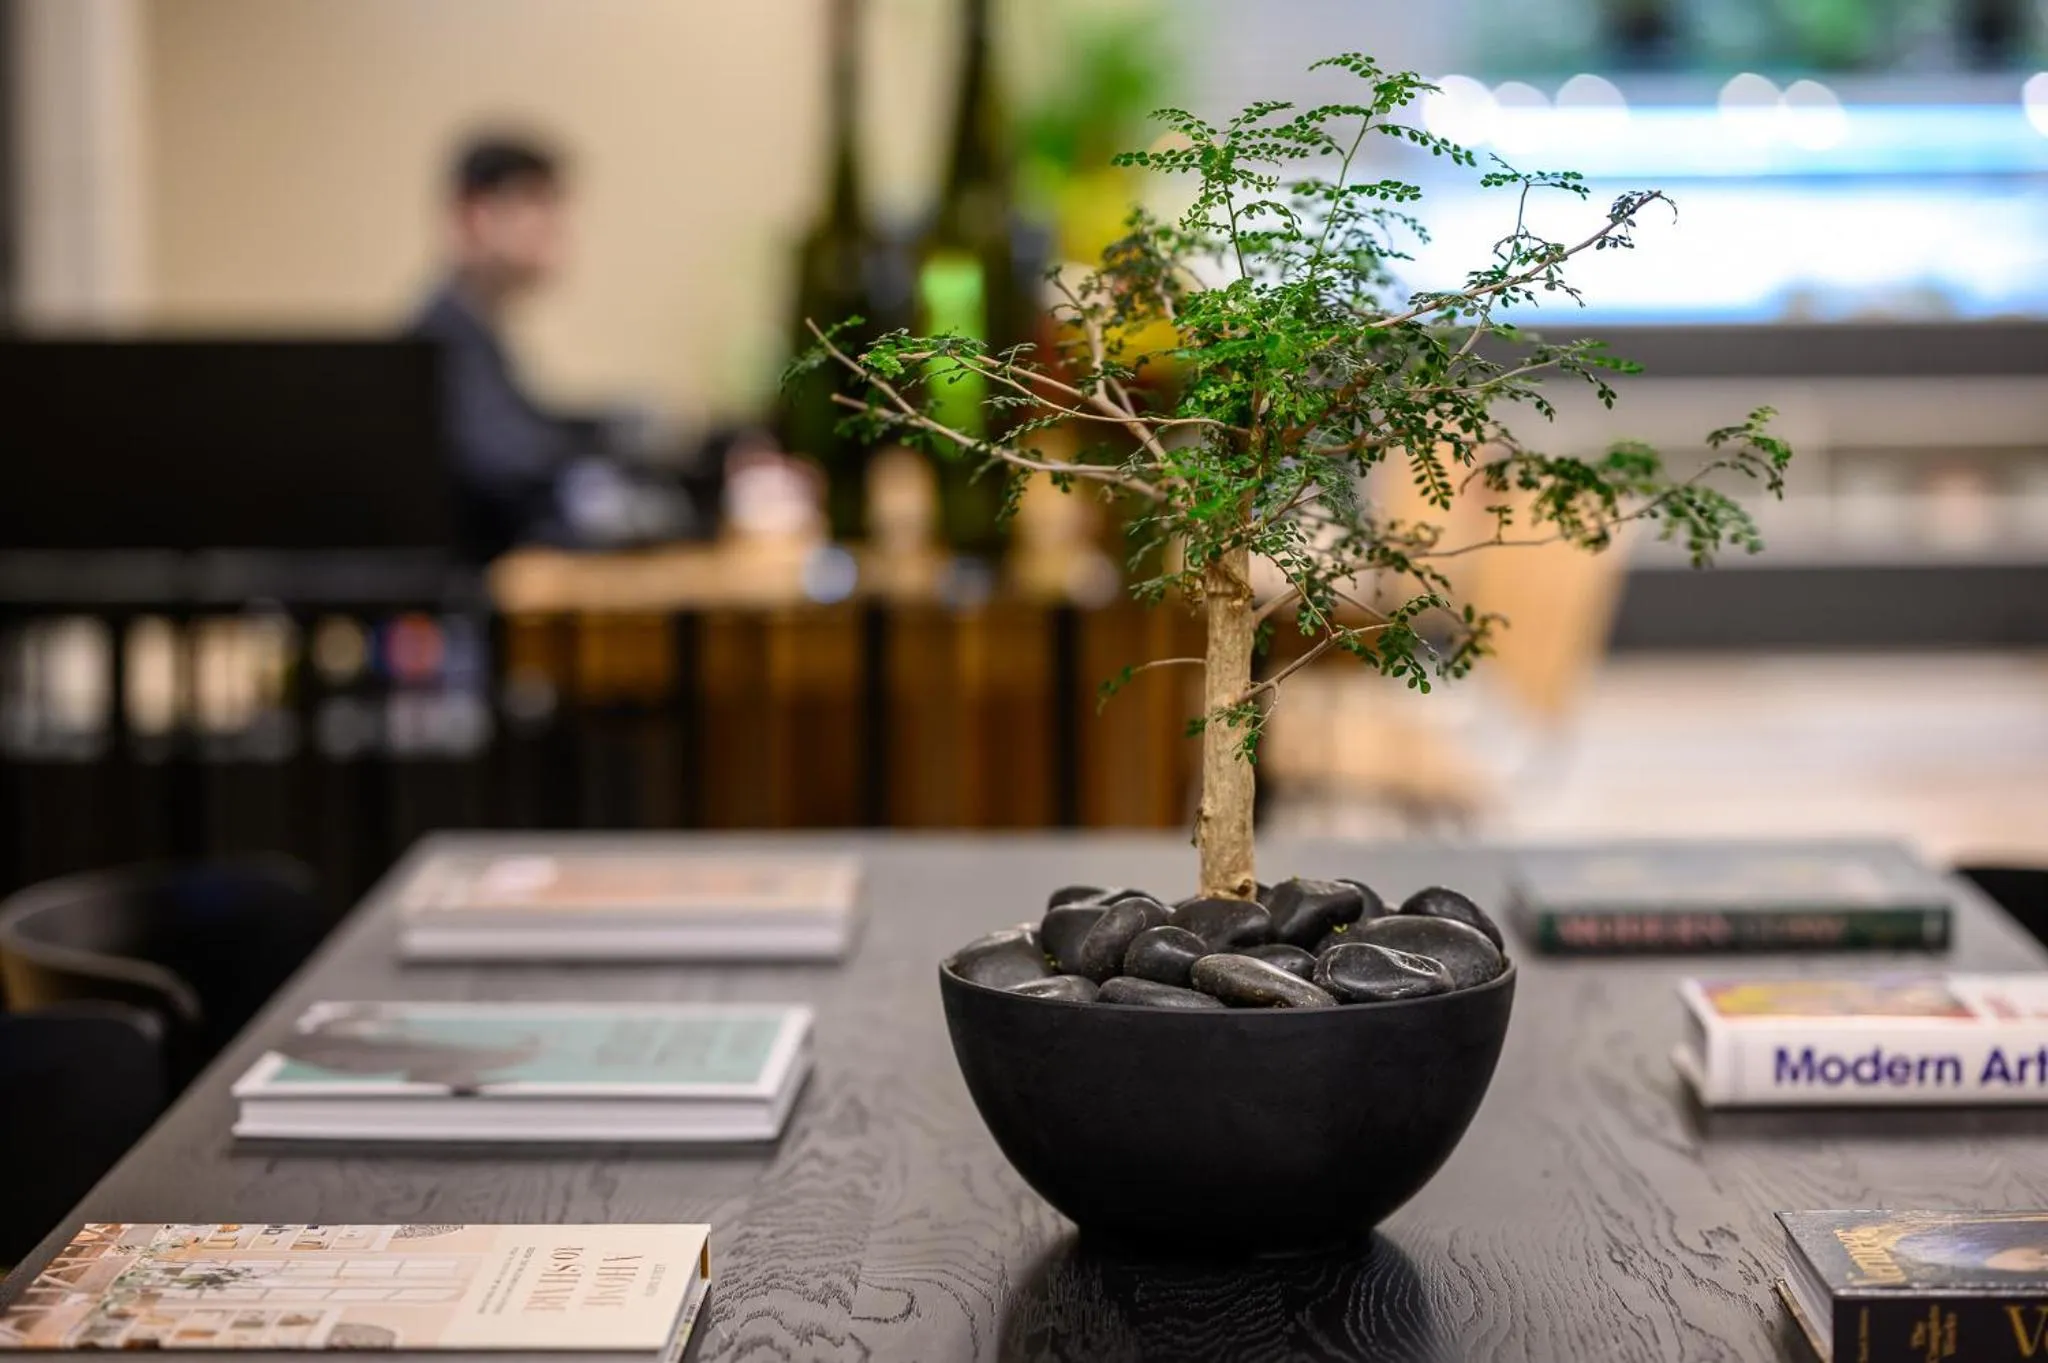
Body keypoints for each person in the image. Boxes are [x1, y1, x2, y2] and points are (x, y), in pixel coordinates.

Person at [406, 132, 698, 561]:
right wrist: (616, 443)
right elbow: (507, 461)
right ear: (474, 215)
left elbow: (530, 426)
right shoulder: (444, 337)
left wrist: (616, 424)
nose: (554, 227)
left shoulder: (476, 328)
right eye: (535, 204)